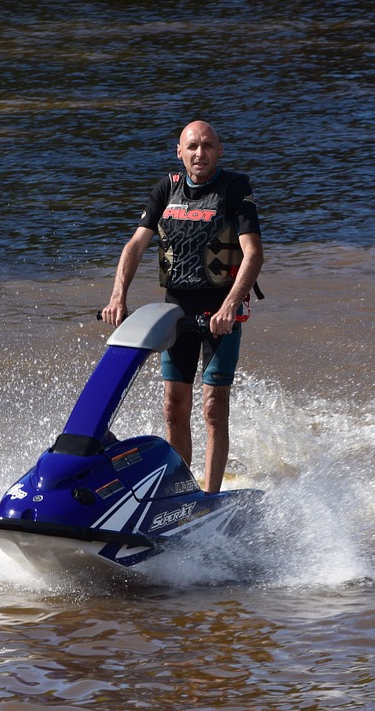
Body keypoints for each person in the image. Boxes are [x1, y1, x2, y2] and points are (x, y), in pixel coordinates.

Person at [99, 120, 263, 494]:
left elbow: (253, 254)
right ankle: (179, 493)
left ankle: (209, 496)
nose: (199, 153)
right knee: (174, 407)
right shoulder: (166, 189)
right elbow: (135, 246)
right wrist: (117, 297)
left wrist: (229, 306)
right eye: (192, 146)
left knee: (213, 408)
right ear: (179, 152)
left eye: (207, 146)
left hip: (222, 313)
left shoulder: (234, 189)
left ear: (219, 150)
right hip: (178, 311)